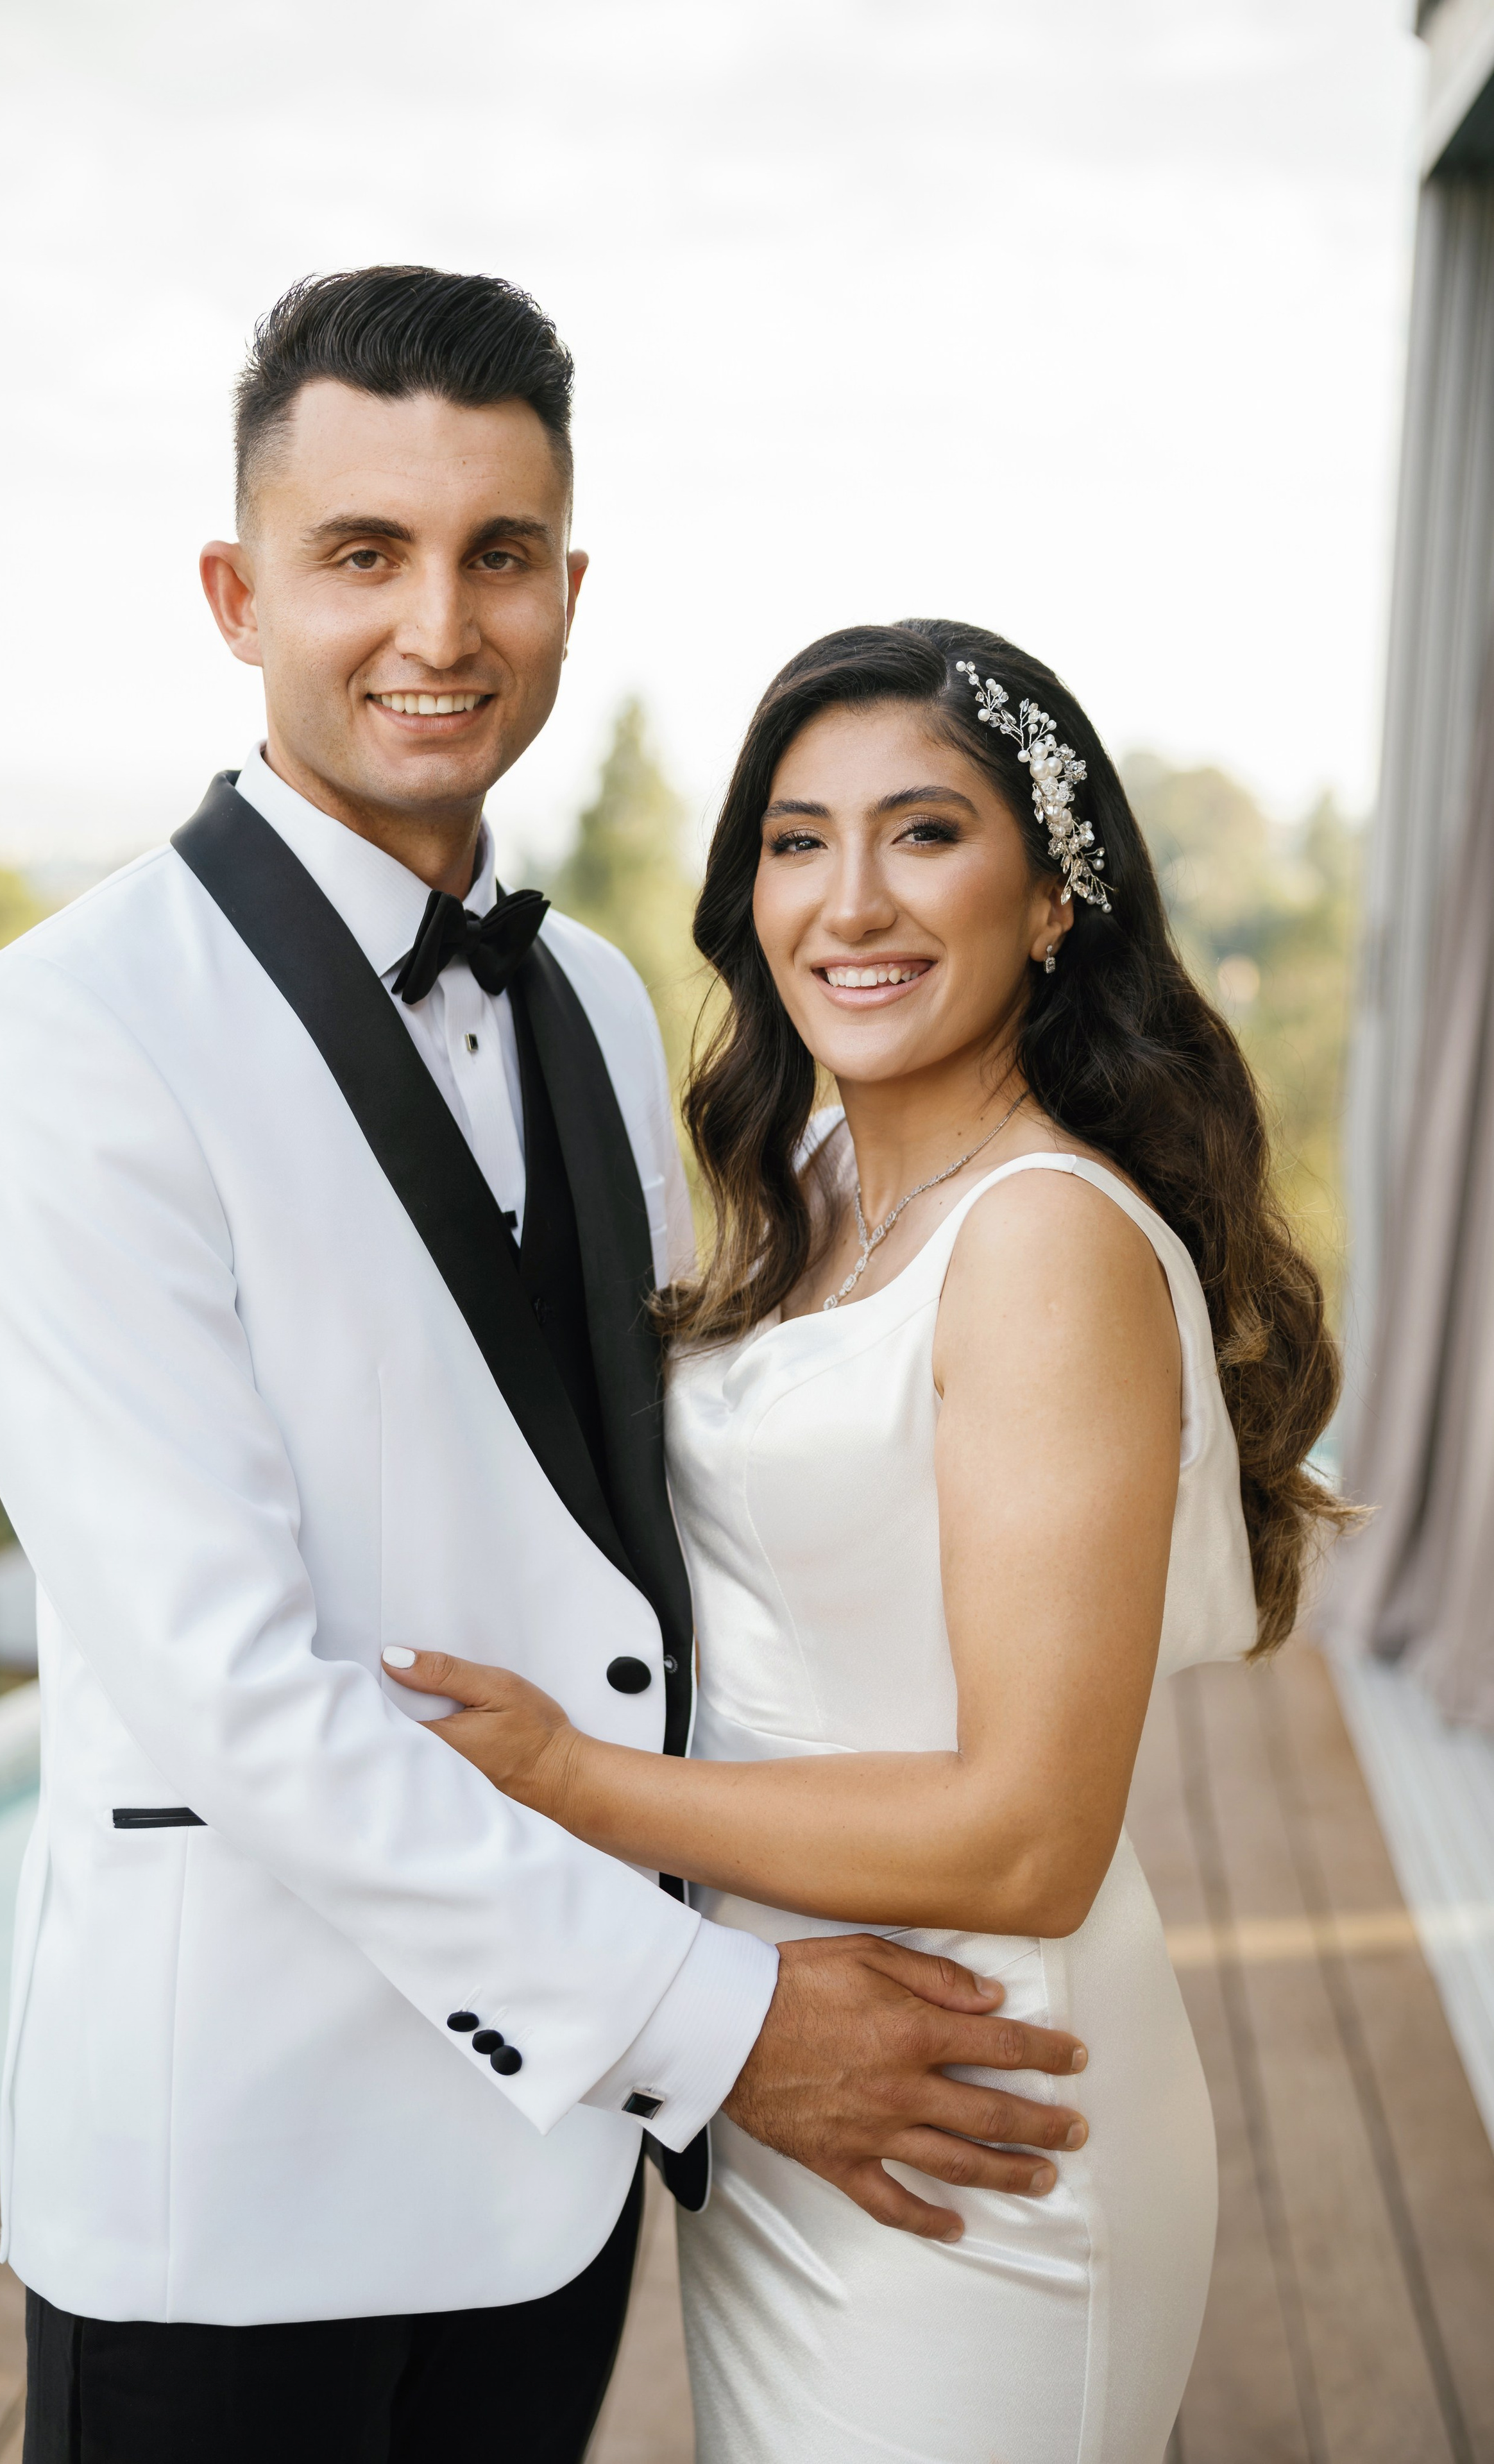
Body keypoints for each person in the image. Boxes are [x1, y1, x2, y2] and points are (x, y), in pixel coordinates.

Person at [0, 283, 1087, 2464]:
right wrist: (720, 2025)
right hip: (241, 2181)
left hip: (548, 2192)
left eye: (500, 553)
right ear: (234, 592)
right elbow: (228, 1684)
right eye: (363, 552)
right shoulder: (61, 1034)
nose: (436, 625)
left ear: (571, 586)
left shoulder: (593, 1002)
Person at [387, 619, 1351, 2463]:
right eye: (798, 838)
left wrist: (579, 1784)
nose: (850, 901)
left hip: (983, 2103)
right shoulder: (819, 1184)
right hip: (800, 2068)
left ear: (1056, 898)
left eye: (924, 834)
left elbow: (1031, 1832)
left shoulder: (1044, 1242)